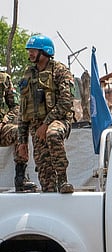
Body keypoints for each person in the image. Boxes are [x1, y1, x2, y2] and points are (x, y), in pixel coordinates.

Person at [16, 34, 76, 194]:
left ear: (45, 52)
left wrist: (46, 123)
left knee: (53, 134)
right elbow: (23, 109)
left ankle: (63, 180)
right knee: (45, 176)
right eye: (30, 51)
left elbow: (66, 102)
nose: (30, 54)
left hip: (58, 120)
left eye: (33, 51)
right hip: (36, 127)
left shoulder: (60, 71)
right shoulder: (28, 75)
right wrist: (22, 142)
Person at [1, 69, 37, 192]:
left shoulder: (3, 78)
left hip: (1, 127)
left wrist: (4, 121)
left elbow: (16, 108)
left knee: (19, 132)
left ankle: (20, 178)